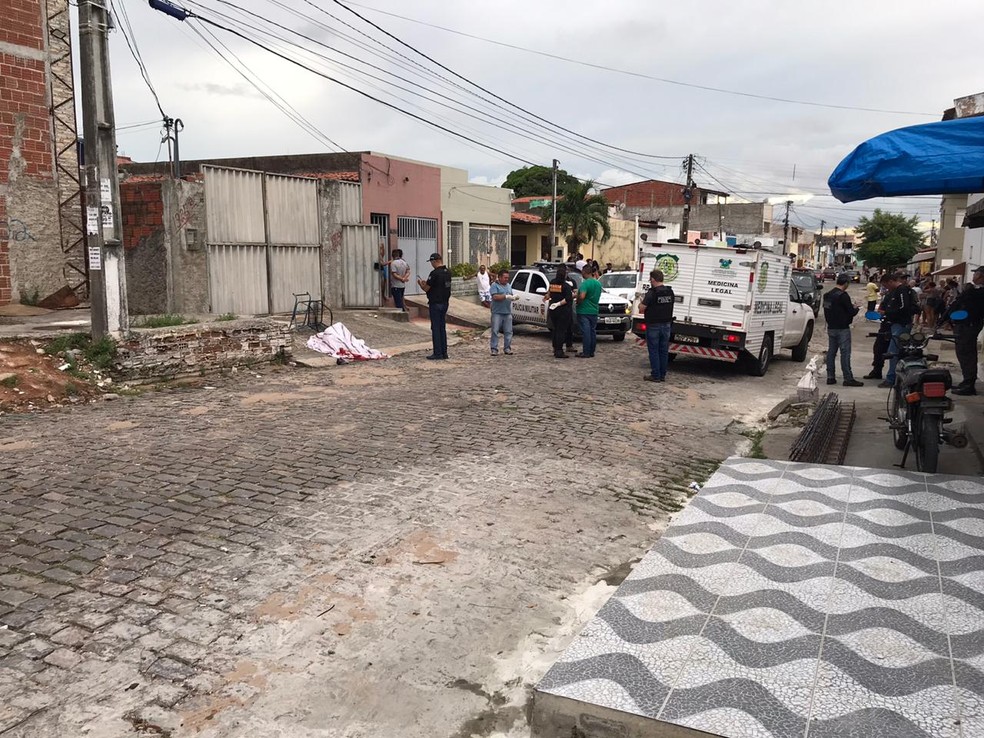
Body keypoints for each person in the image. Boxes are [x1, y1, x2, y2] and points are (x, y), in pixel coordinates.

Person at [947, 266, 984, 395]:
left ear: (980, 276)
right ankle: (967, 380)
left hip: (969, 325)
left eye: (976, 274)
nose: (973, 277)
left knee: (966, 353)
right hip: (966, 324)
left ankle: (969, 383)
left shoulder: (977, 292)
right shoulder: (974, 291)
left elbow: (972, 309)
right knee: (963, 352)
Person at [878, 272, 919, 388]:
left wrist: (887, 313)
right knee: (895, 351)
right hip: (896, 324)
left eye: (886, 285)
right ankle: (894, 377)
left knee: (893, 352)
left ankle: (891, 379)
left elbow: (903, 307)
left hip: (901, 324)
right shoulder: (894, 292)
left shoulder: (902, 291)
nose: (887, 288)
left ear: (891, 282)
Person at [823, 273, 863, 387]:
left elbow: (826, 309)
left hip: (831, 327)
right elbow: (851, 311)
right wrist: (856, 308)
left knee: (831, 352)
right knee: (845, 353)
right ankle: (848, 378)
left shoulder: (827, 295)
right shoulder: (843, 295)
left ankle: (830, 377)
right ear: (846, 283)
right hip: (842, 328)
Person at [641, 268, 674, 382]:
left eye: (650, 279)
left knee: (654, 351)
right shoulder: (670, 292)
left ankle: (655, 375)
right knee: (664, 351)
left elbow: (642, 308)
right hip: (666, 325)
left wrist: (642, 301)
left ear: (653, 279)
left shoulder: (652, 293)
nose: (650, 281)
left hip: (654, 325)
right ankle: (662, 375)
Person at [417, 252, 452, 360]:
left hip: (435, 303)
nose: (431, 264)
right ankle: (444, 352)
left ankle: (437, 353)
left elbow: (427, 288)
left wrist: (421, 284)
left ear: (434, 261)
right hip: (445, 302)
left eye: (431, 262)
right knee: (442, 328)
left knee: (436, 328)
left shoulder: (434, 273)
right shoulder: (448, 272)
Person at [545, 265, 573, 359]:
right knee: (561, 331)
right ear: (564, 275)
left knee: (555, 329)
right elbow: (568, 299)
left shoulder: (553, 283)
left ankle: (555, 348)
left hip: (553, 310)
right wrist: (559, 303)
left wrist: (549, 299)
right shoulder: (566, 286)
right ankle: (559, 351)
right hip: (563, 311)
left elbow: (550, 293)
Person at [576, 263, 602, 358]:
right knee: (592, 332)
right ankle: (591, 351)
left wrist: (578, 301)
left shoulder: (585, 283)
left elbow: (582, 296)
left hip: (584, 310)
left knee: (586, 332)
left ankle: (586, 352)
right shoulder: (598, 284)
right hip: (594, 310)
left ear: (585, 272)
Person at [488, 268, 517, 356]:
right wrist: (505, 296)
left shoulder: (508, 285)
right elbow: (495, 297)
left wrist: (513, 297)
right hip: (497, 312)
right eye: (505, 277)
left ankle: (507, 348)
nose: (506, 279)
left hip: (507, 312)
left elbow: (510, 295)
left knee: (508, 331)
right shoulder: (494, 285)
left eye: (507, 278)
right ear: (499, 277)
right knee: (495, 331)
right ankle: (494, 349)